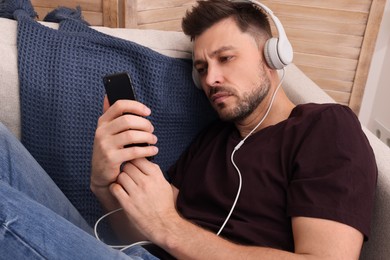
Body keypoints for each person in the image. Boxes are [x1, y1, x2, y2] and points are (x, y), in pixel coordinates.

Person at [0, 0, 377, 259]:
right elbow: (140, 236)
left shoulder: (326, 127)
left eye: (225, 58)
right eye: (201, 68)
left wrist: (170, 226)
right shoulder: (212, 140)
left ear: (273, 54)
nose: (211, 78)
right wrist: (103, 184)